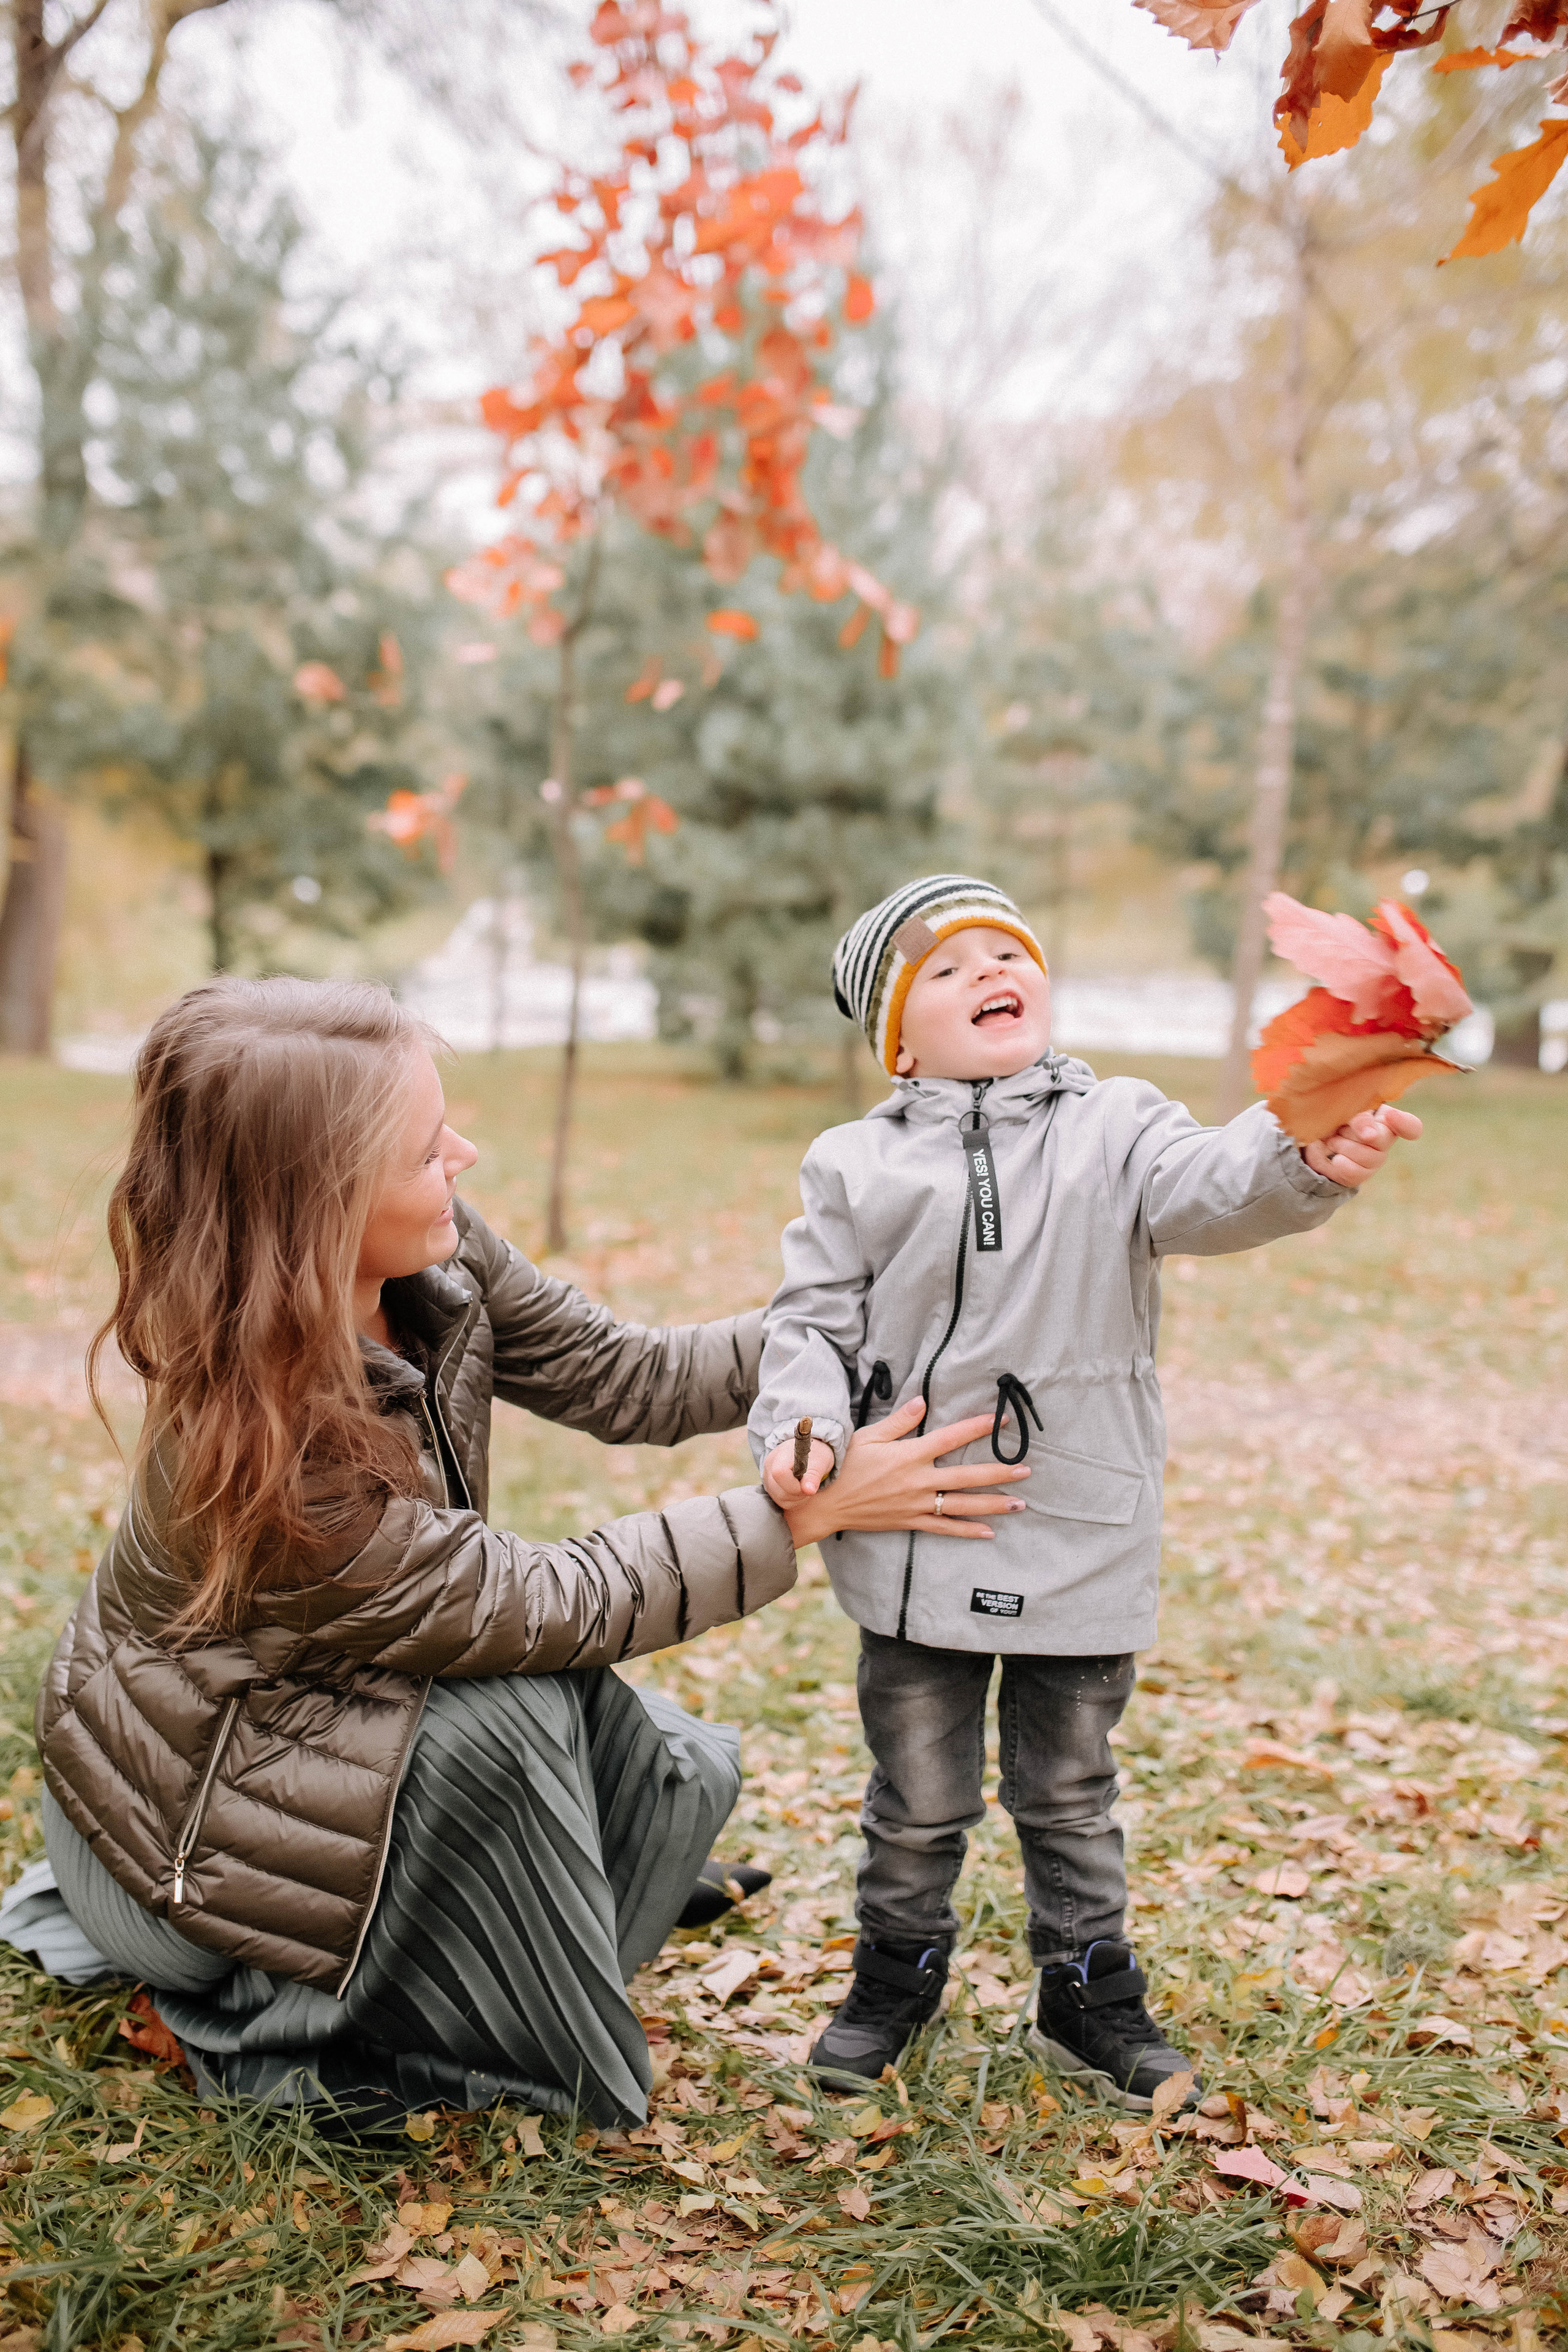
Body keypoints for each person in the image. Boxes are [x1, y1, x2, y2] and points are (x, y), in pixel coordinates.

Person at [7, 976, 1023, 2130]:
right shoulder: (263, 1452)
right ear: (316, 1209)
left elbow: (624, 1375)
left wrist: (843, 1322)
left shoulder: (429, 1260)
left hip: (321, 1731)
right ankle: (317, 2014)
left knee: (605, 1741)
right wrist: (799, 1515)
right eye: (424, 1151)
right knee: (509, 1717)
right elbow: (542, 1603)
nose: (464, 1155)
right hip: (188, 1842)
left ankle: (565, 1906)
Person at [751, 874, 1423, 2102]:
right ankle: (894, 1973)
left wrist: (1302, 1148)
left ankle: (1085, 1991)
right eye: (947, 968)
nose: (990, 972)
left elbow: (1213, 1186)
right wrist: (802, 1424)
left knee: (1068, 1791)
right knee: (916, 1797)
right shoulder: (852, 1162)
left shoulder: (1117, 1123)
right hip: (915, 1526)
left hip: (1077, 1515)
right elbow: (810, 1318)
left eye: (1008, 952)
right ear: (898, 1036)